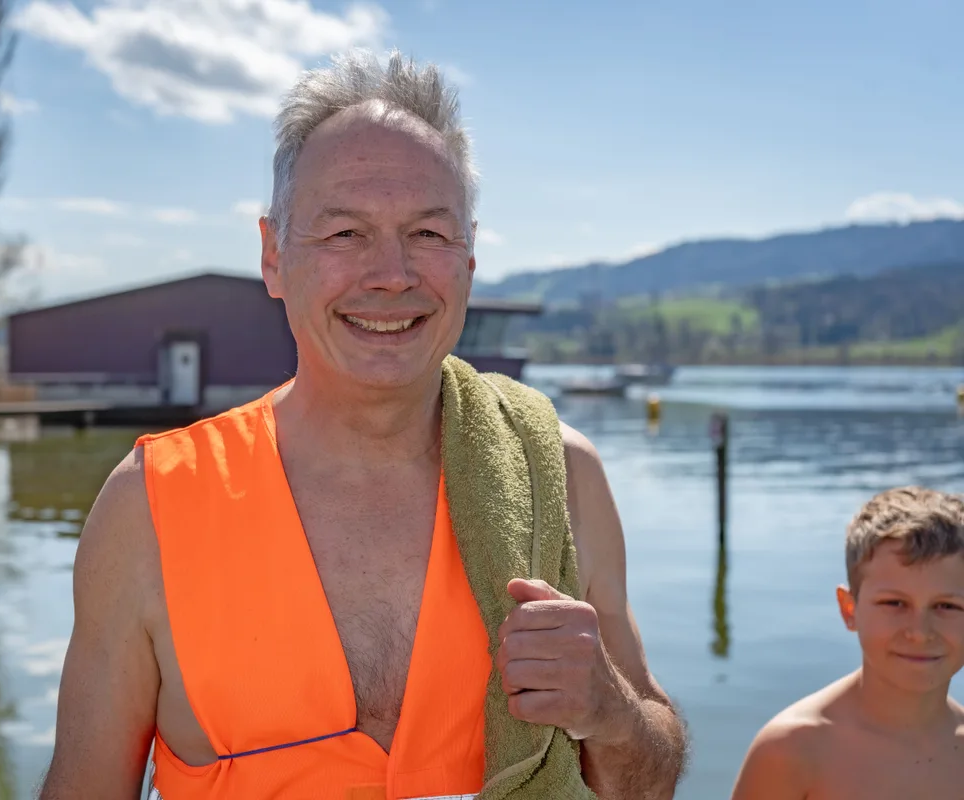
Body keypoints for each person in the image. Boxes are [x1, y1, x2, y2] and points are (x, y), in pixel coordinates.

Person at [38, 49, 687, 799]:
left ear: (469, 259)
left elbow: (651, 782)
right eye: (345, 233)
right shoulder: (149, 507)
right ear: (274, 257)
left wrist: (609, 713)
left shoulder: (562, 478)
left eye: (429, 235)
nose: (391, 274)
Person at [730, 486, 964, 799]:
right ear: (849, 609)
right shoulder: (792, 751)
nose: (919, 632)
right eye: (894, 603)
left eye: (946, 606)